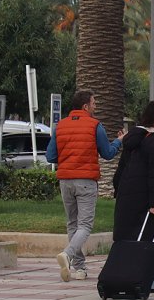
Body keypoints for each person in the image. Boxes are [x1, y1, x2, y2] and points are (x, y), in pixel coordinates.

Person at [46, 90, 124, 282]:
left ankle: (79, 268)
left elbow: (50, 156)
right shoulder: (95, 126)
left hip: (65, 180)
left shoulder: (60, 126)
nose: (96, 106)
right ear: (85, 107)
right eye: (94, 103)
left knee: (72, 224)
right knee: (85, 226)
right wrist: (119, 142)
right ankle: (67, 254)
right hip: (86, 181)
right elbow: (107, 153)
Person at [112, 101, 154, 294]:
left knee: (127, 238)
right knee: (151, 239)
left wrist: (119, 191)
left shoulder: (132, 139)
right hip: (147, 200)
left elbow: (121, 169)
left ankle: (124, 277)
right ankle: (145, 280)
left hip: (127, 197)